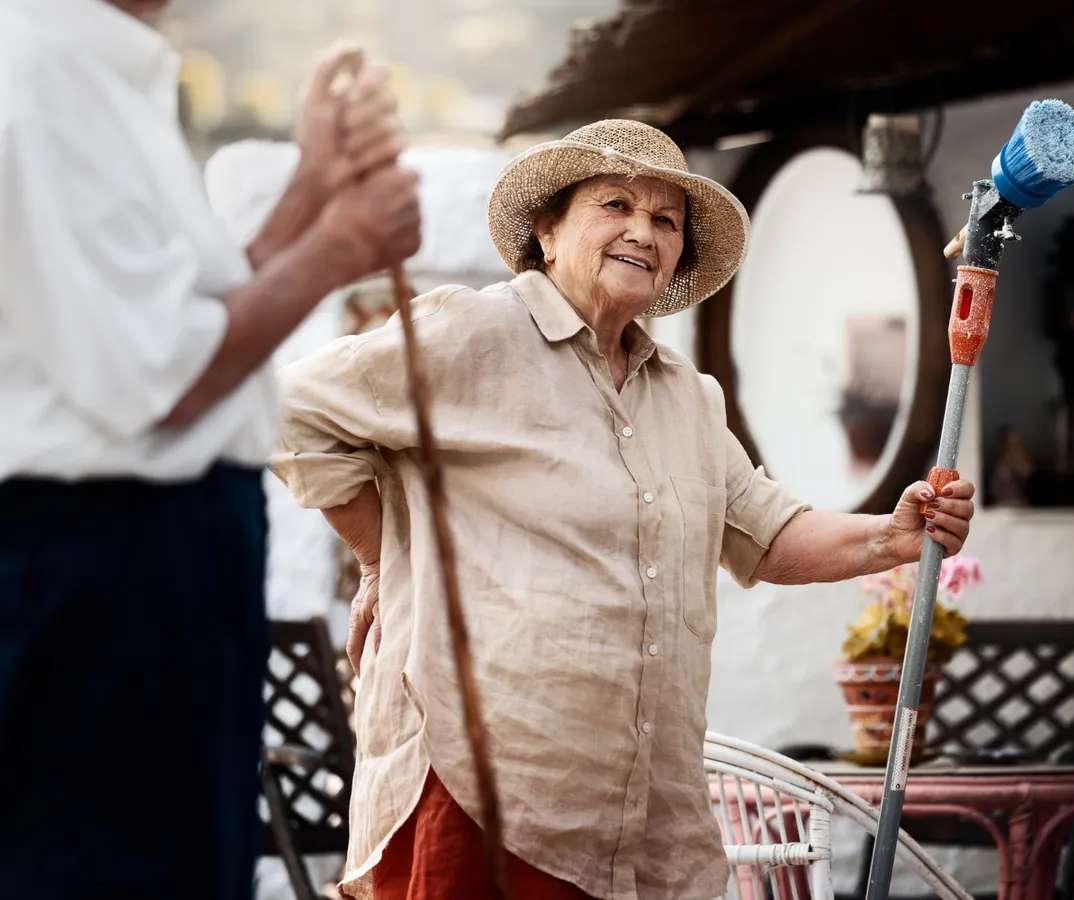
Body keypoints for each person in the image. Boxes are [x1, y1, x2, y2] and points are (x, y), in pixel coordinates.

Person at [271, 119, 976, 900]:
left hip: (642, 816)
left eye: (666, 220)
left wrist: (891, 535)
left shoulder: (688, 396)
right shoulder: (474, 333)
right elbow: (288, 414)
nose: (644, 231)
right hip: (488, 791)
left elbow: (766, 535)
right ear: (548, 227)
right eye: (616, 204)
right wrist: (381, 558)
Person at [0, 1, 421, 897]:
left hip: (148, 552)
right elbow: (164, 374)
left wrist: (312, 187)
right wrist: (345, 243)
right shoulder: (35, 74)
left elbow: (183, 308)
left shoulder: (99, 71)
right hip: (99, 553)